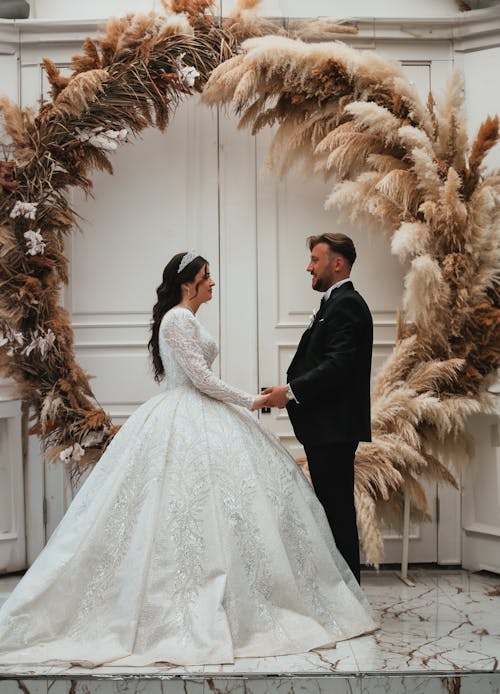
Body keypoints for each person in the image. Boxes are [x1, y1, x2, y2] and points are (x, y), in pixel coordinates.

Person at [0, 250, 376, 668]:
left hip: (203, 412)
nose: (213, 282)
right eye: (207, 276)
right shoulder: (179, 319)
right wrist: (249, 400)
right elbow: (199, 378)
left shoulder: (187, 318)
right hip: (186, 412)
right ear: (188, 283)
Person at [263, 234, 373, 584]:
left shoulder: (347, 304)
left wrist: (290, 392)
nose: (308, 266)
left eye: (315, 259)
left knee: (337, 512)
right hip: (327, 428)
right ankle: (342, 593)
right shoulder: (334, 303)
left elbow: (339, 364)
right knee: (331, 510)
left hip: (334, 428)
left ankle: (349, 594)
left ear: (337, 263)